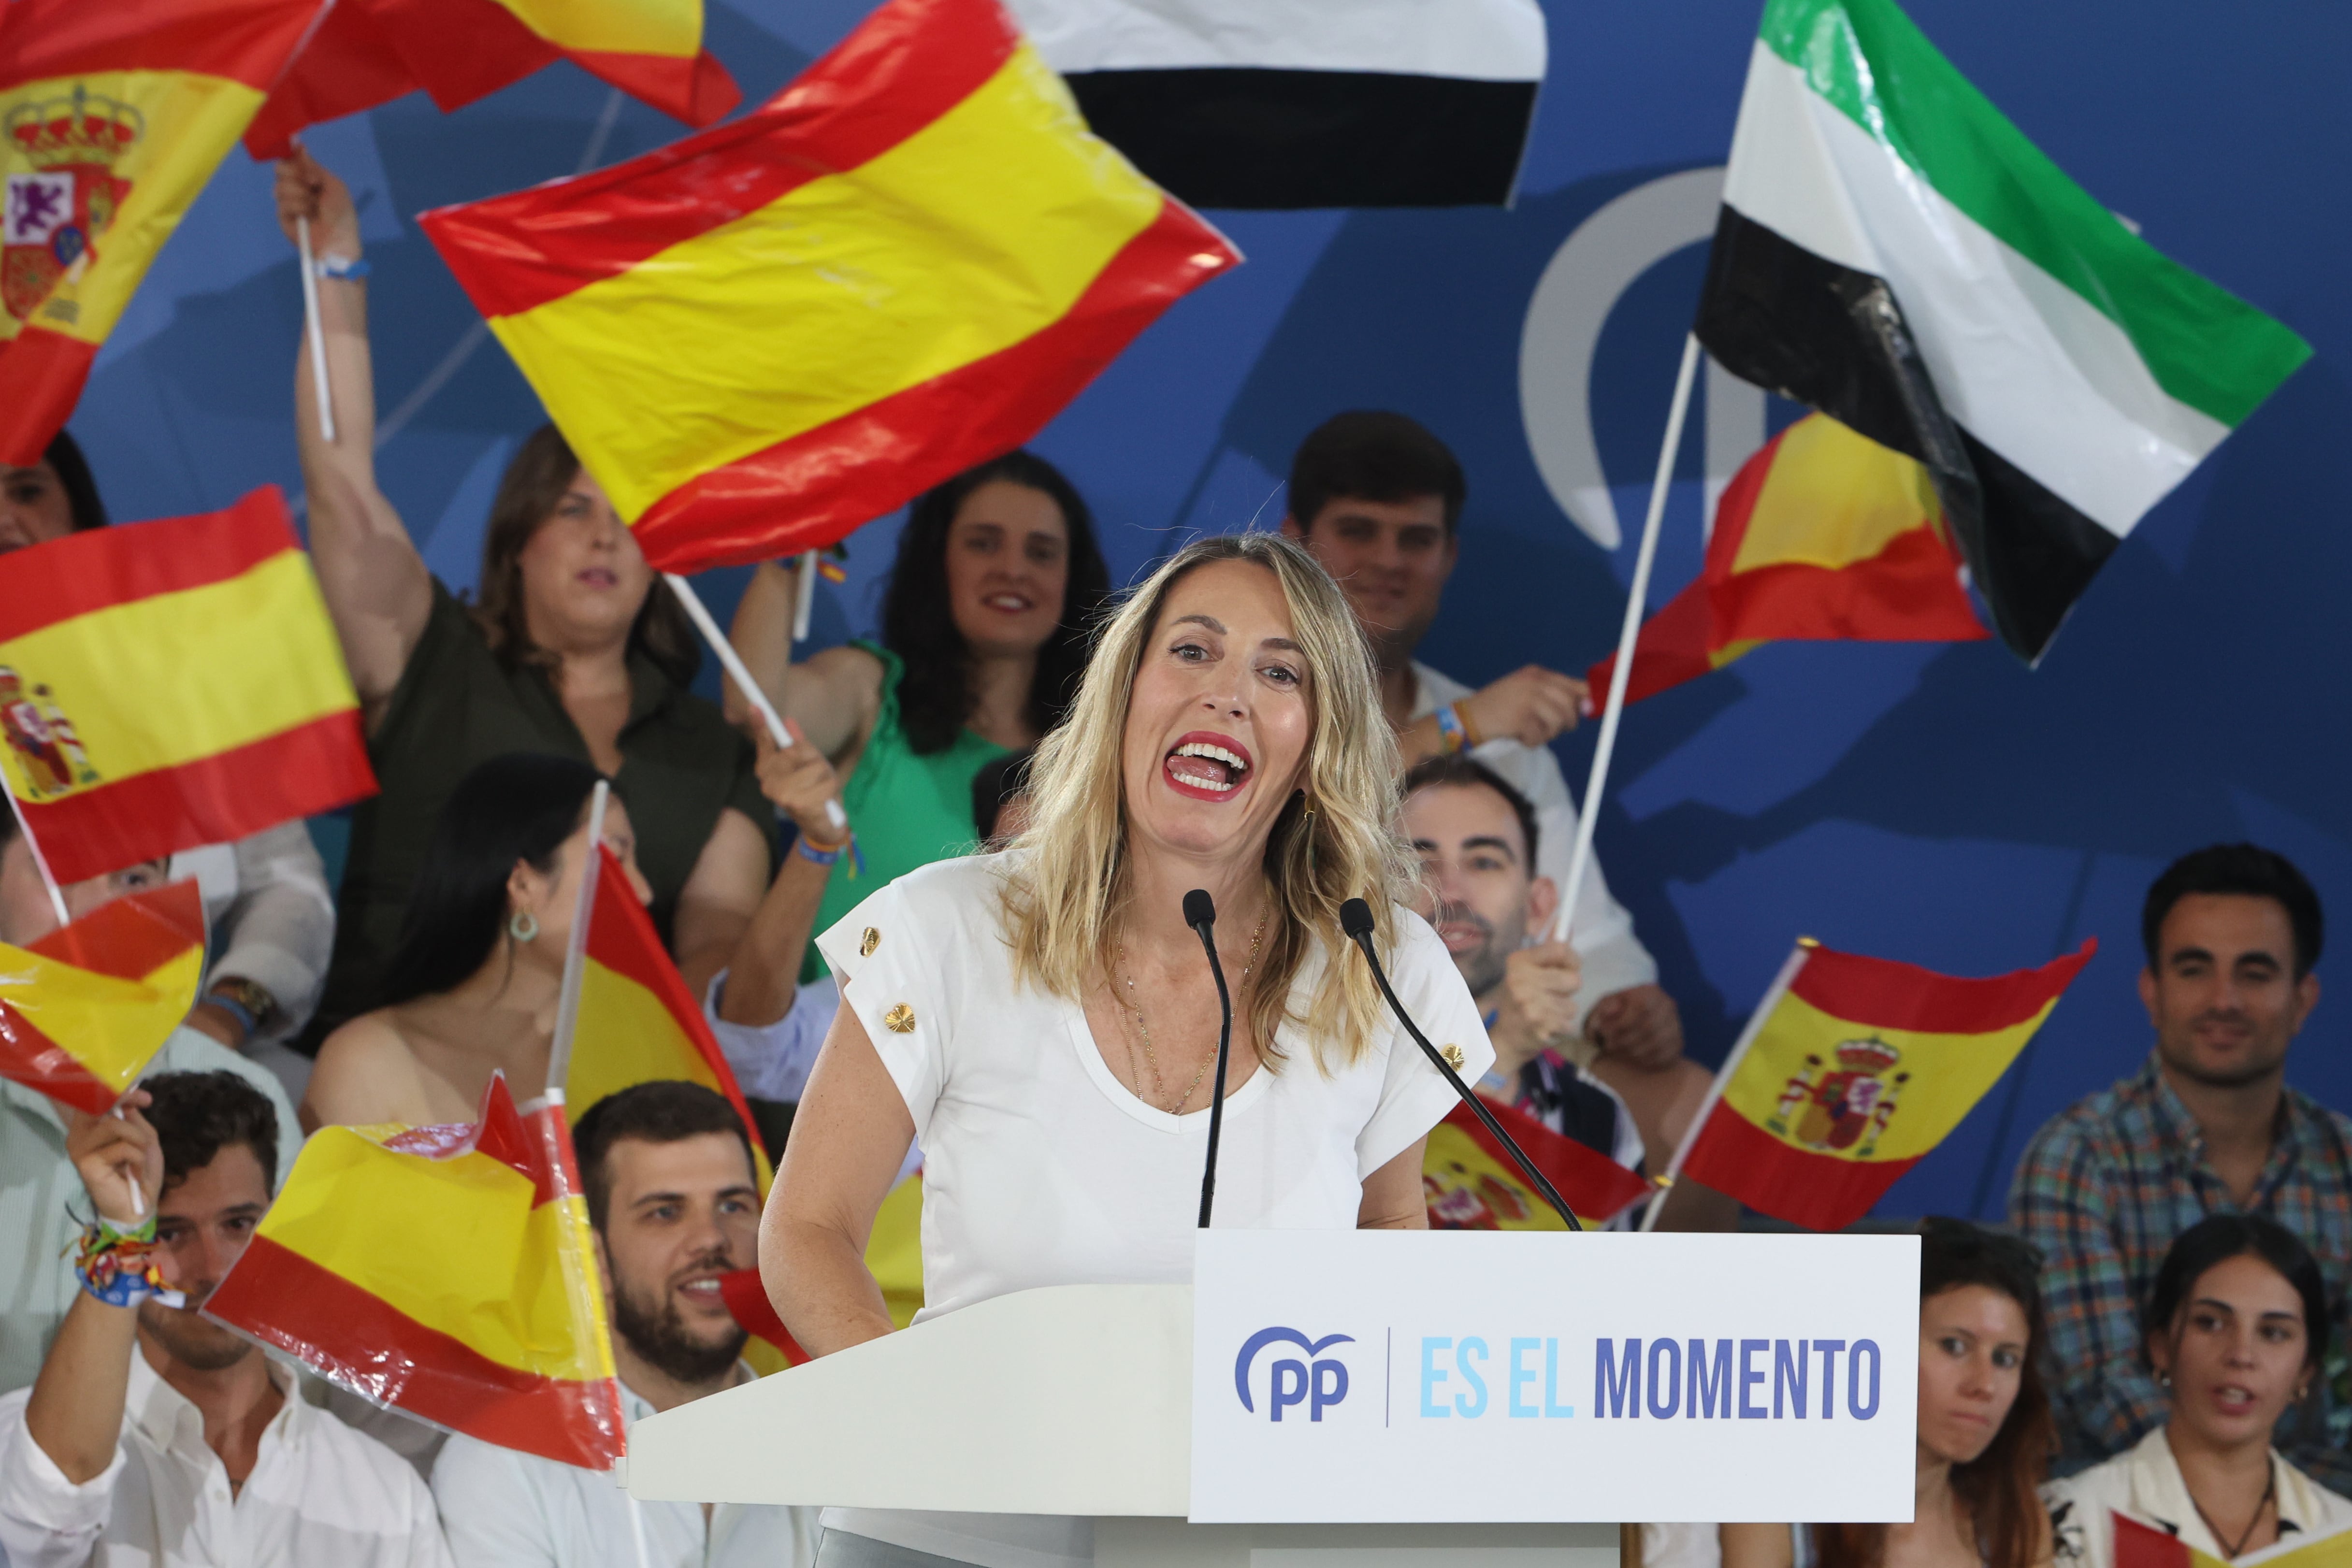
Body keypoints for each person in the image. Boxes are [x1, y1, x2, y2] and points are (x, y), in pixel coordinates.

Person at [765, 532, 1495, 1568]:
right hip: (945, 1531)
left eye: (1279, 670)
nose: (1228, 694)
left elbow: (1390, 1229)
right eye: (1192, 650)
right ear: (1123, 693)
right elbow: (807, 1224)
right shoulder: (949, 926)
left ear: (1315, 740)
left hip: (1246, 1534)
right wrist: (917, 1428)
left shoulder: (1382, 963)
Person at [274, 149, 785, 1047]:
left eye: (627, 518)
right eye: (572, 509)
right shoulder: (430, 656)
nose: (603, 537)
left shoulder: (711, 751)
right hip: (381, 1083)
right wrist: (336, 269)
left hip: (594, 1105)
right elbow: (341, 477)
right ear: (518, 539)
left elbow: (712, 946)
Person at [1277, 410, 1710, 1167]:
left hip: (1483, 1032)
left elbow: (1584, 930)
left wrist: (1623, 1006)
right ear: (1293, 541)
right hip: (1302, 1032)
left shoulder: (1499, 733)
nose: (1388, 560)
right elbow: (1292, 810)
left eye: (1415, 538)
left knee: (1688, 1114)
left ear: (1448, 557)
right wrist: (1464, 725)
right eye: (1358, 530)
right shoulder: (1259, 695)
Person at [0, 426, 336, 1098]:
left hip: (194, 1049)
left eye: (29, 491)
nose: (7, 519)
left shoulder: (177, 684)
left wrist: (226, 1015)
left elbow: (289, 893)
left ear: (80, 511)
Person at [0, 1070, 451, 1566]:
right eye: (169, 1232)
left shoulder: (389, 1494)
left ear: (278, 1224)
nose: (212, 1267)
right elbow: (44, 1526)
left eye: (238, 1224)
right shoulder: (25, 1435)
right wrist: (124, 1227)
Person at [2011, 845, 2350, 1489]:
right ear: (2151, 991)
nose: (2222, 999)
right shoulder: (2076, 1156)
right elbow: (2101, 1390)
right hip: (2112, 1509)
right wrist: (2258, 1498)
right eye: (2193, 969)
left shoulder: (2343, 1161)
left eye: (2253, 973)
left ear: (2301, 998)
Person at [727, 451, 1110, 977]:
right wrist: (790, 552)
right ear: (938, 561)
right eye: (983, 543)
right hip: (829, 1049)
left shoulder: (1100, 754)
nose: (1014, 568)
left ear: (1073, 579)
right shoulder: (873, 691)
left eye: (1042, 553)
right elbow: (754, 707)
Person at [433, 1081, 819, 1567]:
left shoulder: (821, 1445)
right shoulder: (504, 1464)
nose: (711, 1238)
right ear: (592, 1257)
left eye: (732, 1205)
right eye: (665, 1211)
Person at [0, 811, 302, 1396]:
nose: (95, 915)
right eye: (61, 880)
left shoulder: (249, 1095)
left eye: (134, 881)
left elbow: (288, 1357)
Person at [1677, 1219, 2055, 1568]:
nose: (1984, 1384)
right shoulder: (1773, 1507)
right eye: (1954, 1346)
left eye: (2005, 1359)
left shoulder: (2014, 1519)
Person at [2045, 1215, 2352, 1568]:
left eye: (2272, 1332)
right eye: (2210, 1322)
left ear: (2305, 1370)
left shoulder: (2338, 1534)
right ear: (2160, 1345)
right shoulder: (2074, 1520)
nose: (2240, 1354)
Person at [1399, 754, 1640, 1174]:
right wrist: (1500, 1052)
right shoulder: (1311, 1061)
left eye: (1484, 861)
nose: (1451, 890)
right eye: (1419, 864)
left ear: (1538, 905)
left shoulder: (1599, 1122)